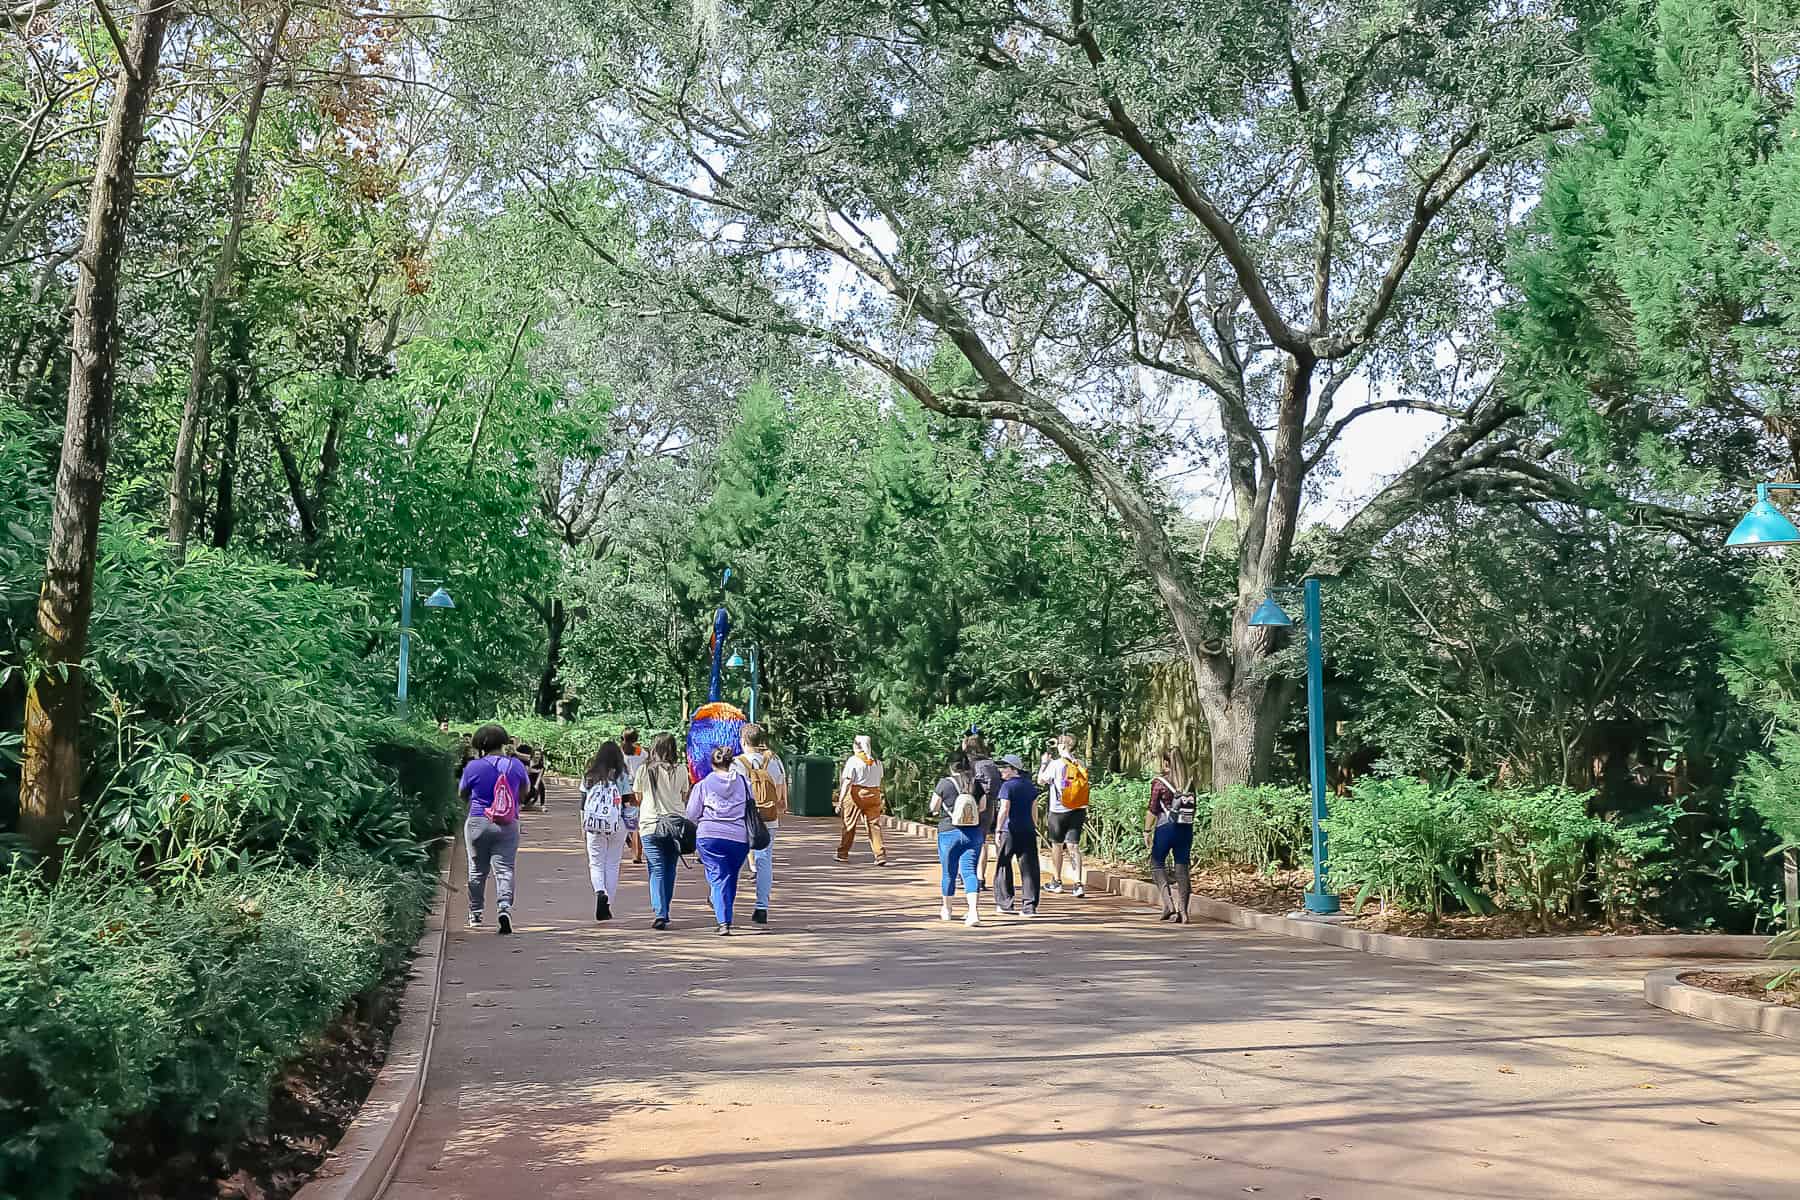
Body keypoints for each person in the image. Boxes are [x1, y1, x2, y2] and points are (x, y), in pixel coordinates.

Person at [460, 723, 529, 935]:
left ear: (480, 745)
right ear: (504, 742)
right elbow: (525, 792)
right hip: (508, 822)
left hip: (478, 821)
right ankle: (504, 907)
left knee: (477, 869)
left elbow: (463, 793)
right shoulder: (516, 766)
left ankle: (476, 913)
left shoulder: (473, 767)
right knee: (505, 868)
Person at [687, 745, 754, 934]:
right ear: (731, 761)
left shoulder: (703, 785)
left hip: (710, 837)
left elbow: (691, 814)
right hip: (738, 837)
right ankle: (723, 911)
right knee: (729, 876)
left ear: (712, 763)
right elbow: (752, 805)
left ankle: (723, 921)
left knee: (719, 877)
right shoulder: (744, 782)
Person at [733, 723, 788, 926]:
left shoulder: (736, 763)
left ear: (744, 741)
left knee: (734, 860)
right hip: (768, 817)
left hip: (742, 818)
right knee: (765, 861)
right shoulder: (774, 761)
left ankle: (722, 899)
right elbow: (781, 793)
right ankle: (761, 907)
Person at [634, 733, 687, 929]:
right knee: (670, 868)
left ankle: (660, 912)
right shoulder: (681, 770)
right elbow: (684, 795)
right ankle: (665, 908)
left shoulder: (643, 770)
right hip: (675, 825)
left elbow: (638, 797)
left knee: (656, 869)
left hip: (650, 824)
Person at [930, 750, 987, 927]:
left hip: (949, 832)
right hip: (973, 833)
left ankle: (947, 910)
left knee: (949, 872)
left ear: (950, 765)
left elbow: (933, 806)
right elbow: (983, 807)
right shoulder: (975, 784)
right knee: (969, 871)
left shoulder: (943, 784)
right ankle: (973, 912)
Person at [1146, 746, 1199, 923]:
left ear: (1165, 763)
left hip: (1165, 828)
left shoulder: (1159, 782)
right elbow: (1193, 808)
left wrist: (1147, 831)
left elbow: (1153, 809)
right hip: (1185, 829)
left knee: (1156, 863)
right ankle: (1183, 911)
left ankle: (1168, 904)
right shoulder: (1189, 783)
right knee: (1182, 867)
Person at [581, 740, 631, 922]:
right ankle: (607, 904)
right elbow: (628, 801)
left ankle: (599, 891)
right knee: (612, 864)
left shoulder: (590, 774)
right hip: (617, 823)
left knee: (596, 863)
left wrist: (583, 825)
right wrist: (631, 825)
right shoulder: (623, 774)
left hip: (594, 823)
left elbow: (583, 803)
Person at [1037, 733, 1090, 897]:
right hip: (1078, 809)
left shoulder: (1055, 764)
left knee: (1057, 846)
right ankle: (1078, 884)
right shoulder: (1079, 763)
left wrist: (1044, 764)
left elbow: (1040, 780)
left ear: (1061, 746)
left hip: (1058, 811)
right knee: (1073, 846)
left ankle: (1057, 881)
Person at [991, 754, 1041, 917]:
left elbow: (1004, 809)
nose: (1001, 771)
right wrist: (1034, 826)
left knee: (1003, 865)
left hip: (1009, 830)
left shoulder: (1007, 787)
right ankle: (1029, 906)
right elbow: (1035, 810)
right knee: (1029, 868)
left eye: (1005, 768)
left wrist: (998, 829)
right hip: (1027, 830)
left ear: (1014, 769)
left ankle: (1005, 903)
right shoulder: (1030, 786)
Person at [835, 734, 888, 866]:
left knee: (849, 824)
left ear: (856, 746)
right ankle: (880, 855)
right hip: (874, 793)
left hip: (856, 794)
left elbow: (847, 782)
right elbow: (880, 779)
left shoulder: (853, 761)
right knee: (874, 825)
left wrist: (840, 801)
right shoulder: (877, 762)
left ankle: (843, 853)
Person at [965, 732, 1003, 890]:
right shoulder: (991, 764)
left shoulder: (968, 764)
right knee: (982, 841)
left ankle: (969, 875)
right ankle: (981, 877)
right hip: (988, 805)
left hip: (969, 805)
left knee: (967, 840)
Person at [622, 728, 647, 864]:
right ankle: (637, 853)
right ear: (636, 738)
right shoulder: (641, 752)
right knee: (637, 818)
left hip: (623, 787)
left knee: (625, 816)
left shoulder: (620, 752)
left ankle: (630, 842)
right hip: (638, 787)